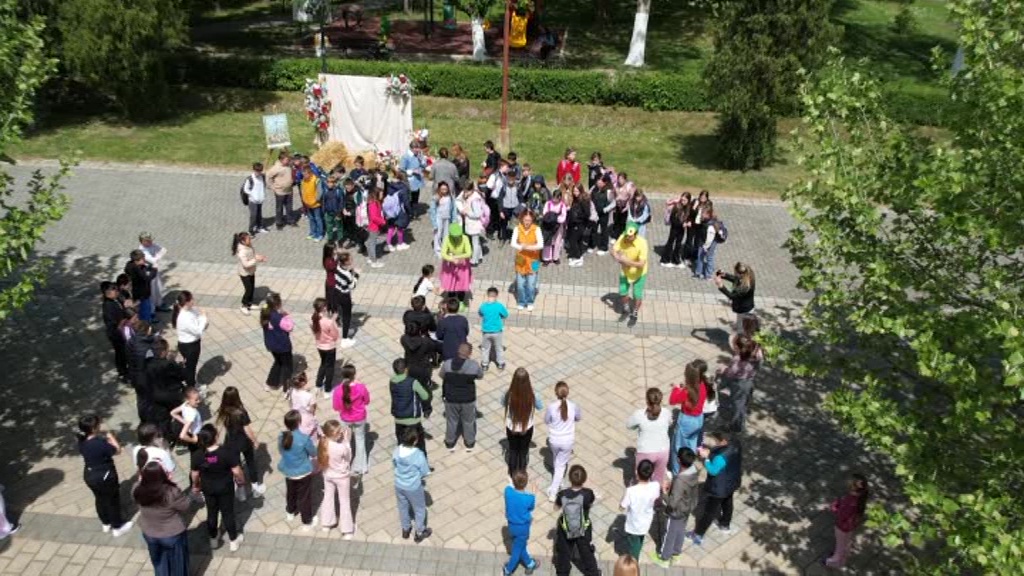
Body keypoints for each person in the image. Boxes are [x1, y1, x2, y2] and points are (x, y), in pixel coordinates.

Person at [191, 424, 245, 551]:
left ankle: (213, 539)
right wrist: (241, 481)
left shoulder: (198, 455)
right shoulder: (226, 452)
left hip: (208, 488)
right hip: (225, 487)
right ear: (215, 437)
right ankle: (233, 540)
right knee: (228, 513)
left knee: (211, 512)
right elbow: (237, 471)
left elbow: (194, 474)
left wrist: (196, 485)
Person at [77, 416, 133, 537]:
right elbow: (118, 450)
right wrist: (111, 437)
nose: (100, 426)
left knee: (100, 499)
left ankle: (105, 522)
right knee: (112, 501)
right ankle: (117, 527)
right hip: (105, 476)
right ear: (93, 428)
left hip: (89, 475)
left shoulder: (81, 441)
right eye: (98, 425)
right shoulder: (99, 443)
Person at [134, 460, 191, 576]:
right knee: (178, 564)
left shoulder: (137, 489)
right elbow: (185, 506)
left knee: (159, 562)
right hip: (171, 534)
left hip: (149, 532)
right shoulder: (171, 492)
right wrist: (173, 484)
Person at [688, 429, 743, 546]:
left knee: (709, 512)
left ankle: (698, 534)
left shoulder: (721, 457)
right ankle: (725, 524)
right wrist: (710, 452)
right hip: (732, 481)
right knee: (728, 502)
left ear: (723, 441)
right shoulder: (736, 444)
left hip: (719, 488)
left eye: (717, 441)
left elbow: (713, 470)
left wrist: (706, 458)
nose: (715, 443)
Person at [651, 448, 700, 567]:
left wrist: (664, 492)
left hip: (676, 512)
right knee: (680, 531)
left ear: (678, 460)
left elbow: (672, 503)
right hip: (687, 508)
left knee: (669, 534)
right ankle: (676, 553)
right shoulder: (694, 471)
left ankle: (664, 558)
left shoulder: (680, 480)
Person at [216, 386, 266, 498]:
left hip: (230, 442)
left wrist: (216, 440)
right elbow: (247, 429)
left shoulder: (223, 409)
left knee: (236, 466)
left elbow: (220, 426)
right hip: (243, 442)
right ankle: (255, 486)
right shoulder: (241, 412)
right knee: (250, 462)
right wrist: (255, 441)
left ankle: (241, 491)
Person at [553, 465, 600, 576]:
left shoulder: (562, 494)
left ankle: (563, 572)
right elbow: (590, 504)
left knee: (564, 552)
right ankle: (593, 572)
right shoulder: (588, 493)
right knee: (586, 551)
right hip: (583, 528)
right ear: (584, 479)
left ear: (570, 479)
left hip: (566, 529)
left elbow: (556, 508)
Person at [278, 410, 318, 530]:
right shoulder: (304, 438)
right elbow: (313, 453)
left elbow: (281, 451)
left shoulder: (281, 436)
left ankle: (290, 512)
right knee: (304, 497)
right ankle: (307, 521)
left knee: (291, 492)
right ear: (299, 422)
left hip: (288, 471)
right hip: (303, 472)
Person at [440, 342, 483, 452]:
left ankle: (450, 442)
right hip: (468, 399)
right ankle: (469, 443)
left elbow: (441, 375)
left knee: (451, 421)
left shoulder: (447, 364)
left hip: (451, 398)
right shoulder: (473, 366)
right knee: (468, 421)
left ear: (458, 351)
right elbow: (480, 376)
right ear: (469, 353)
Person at [392, 426, 432, 542]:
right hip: (413, 486)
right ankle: (419, 531)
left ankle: (405, 529)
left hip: (399, 484)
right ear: (415, 441)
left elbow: (394, 464)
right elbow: (425, 471)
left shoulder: (397, 450)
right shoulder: (418, 454)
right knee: (419, 509)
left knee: (403, 506)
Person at [502, 368, 544, 477]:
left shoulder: (508, 393)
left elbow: (502, 402)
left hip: (511, 427)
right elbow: (540, 406)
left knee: (513, 449)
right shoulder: (532, 395)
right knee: (523, 451)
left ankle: (512, 471)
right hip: (526, 428)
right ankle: (521, 472)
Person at [544, 381, 581, 502]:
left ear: (556, 393)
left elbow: (547, 421)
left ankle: (558, 481)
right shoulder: (573, 406)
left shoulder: (551, 407)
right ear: (568, 392)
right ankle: (553, 492)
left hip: (554, 440)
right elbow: (578, 418)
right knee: (561, 465)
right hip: (567, 441)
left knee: (557, 460)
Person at [318, 420, 356, 538]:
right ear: (333, 434)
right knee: (344, 502)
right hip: (341, 477)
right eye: (339, 432)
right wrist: (347, 441)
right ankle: (347, 530)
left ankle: (326, 523)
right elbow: (348, 458)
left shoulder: (323, 443)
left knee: (328, 498)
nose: (341, 434)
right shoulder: (341, 447)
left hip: (327, 475)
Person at [823, 473, 870, 569]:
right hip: (850, 526)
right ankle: (843, 556)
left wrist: (834, 507)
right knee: (846, 542)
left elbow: (841, 515)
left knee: (840, 545)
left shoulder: (850, 503)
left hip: (842, 527)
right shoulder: (858, 499)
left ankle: (834, 561)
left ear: (852, 488)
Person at [626, 387, 671, 484]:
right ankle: (656, 493)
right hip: (663, 450)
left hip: (645, 451)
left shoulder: (639, 414)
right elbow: (670, 422)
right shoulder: (666, 412)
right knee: (659, 479)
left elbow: (629, 425)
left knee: (641, 478)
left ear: (647, 401)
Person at [333, 364, 371, 476]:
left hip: (345, 418)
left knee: (345, 441)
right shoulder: (361, 387)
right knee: (360, 440)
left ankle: (345, 464)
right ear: (354, 374)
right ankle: (361, 467)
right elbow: (367, 401)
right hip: (359, 417)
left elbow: (336, 407)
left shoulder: (338, 390)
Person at [390, 358, 431, 460]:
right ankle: (423, 465)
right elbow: (425, 396)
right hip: (413, 419)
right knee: (420, 445)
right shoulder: (412, 382)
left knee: (402, 444)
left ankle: (404, 463)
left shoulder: (392, 381)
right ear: (406, 369)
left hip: (398, 419)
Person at [668, 363, 707, 472]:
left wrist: (675, 389)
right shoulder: (702, 385)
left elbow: (672, 400)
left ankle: (677, 472)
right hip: (699, 419)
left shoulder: (687, 391)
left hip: (687, 421)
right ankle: (689, 463)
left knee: (678, 447)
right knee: (691, 442)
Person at [619, 459, 660, 560]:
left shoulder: (631, 491)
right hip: (646, 521)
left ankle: (634, 561)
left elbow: (621, 507)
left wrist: (626, 491)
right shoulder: (656, 486)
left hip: (634, 523)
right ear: (652, 474)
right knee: (640, 538)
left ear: (637, 473)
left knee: (633, 545)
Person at [718, 335, 759, 433]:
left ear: (737, 347)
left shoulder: (737, 359)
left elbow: (731, 374)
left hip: (739, 385)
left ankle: (736, 426)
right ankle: (745, 411)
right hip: (749, 381)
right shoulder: (755, 356)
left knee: (737, 405)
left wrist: (723, 370)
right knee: (744, 400)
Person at [145, 339, 187, 434]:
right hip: (171, 395)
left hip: (155, 394)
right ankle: (179, 432)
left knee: (163, 417)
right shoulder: (168, 364)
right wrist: (180, 365)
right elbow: (182, 376)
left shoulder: (147, 363)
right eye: (167, 349)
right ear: (163, 352)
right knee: (179, 414)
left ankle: (166, 434)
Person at [503, 469, 540, 576]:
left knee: (520, 545)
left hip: (511, 526)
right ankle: (508, 570)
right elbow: (531, 508)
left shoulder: (507, 491)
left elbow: (510, 487)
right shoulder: (529, 498)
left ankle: (530, 563)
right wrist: (533, 494)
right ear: (526, 483)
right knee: (516, 552)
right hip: (523, 528)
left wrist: (511, 481)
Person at [612, 222, 649, 322]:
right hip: (625, 271)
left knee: (637, 294)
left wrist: (626, 261)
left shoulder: (642, 243)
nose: (628, 238)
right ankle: (626, 309)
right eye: (627, 235)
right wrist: (618, 258)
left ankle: (635, 312)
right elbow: (613, 250)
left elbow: (641, 264)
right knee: (622, 291)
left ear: (636, 235)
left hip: (639, 273)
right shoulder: (623, 237)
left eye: (630, 236)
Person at [172, 290, 207, 390]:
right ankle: (191, 387)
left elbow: (198, 317)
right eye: (192, 299)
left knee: (190, 365)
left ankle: (189, 382)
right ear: (186, 302)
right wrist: (204, 318)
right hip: (190, 346)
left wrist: (201, 319)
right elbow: (198, 330)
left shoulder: (190, 310)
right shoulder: (184, 317)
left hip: (190, 344)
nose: (193, 300)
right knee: (191, 368)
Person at [260, 292, 294, 392]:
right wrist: (286, 315)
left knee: (278, 362)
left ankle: (270, 383)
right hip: (282, 346)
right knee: (287, 366)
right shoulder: (279, 318)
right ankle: (287, 388)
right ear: (277, 305)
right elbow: (290, 327)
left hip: (271, 344)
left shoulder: (265, 313)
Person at [511, 210, 544, 311]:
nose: (527, 222)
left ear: (532, 220)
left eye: (529, 220)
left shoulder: (537, 229)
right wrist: (522, 246)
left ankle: (530, 301)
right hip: (520, 258)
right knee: (520, 284)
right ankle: (521, 301)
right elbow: (513, 243)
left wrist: (527, 247)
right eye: (525, 220)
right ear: (522, 219)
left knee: (531, 284)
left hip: (534, 260)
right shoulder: (517, 229)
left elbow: (540, 245)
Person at [127, 318, 157, 422]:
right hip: (145, 377)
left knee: (141, 399)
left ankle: (143, 419)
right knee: (149, 399)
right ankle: (149, 419)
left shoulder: (130, 341)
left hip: (134, 375)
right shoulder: (149, 346)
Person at [310, 297, 339, 397]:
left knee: (323, 364)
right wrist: (333, 321)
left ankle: (318, 385)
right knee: (330, 368)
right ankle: (327, 390)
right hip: (329, 347)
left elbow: (315, 331)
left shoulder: (313, 319)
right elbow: (335, 335)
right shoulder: (328, 322)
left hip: (319, 346)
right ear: (324, 308)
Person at [232, 232, 266, 315]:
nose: (250, 240)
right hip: (244, 273)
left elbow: (252, 254)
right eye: (248, 239)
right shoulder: (242, 252)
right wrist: (256, 260)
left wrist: (259, 257)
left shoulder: (248, 246)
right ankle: (244, 305)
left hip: (251, 271)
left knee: (252, 288)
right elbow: (246, 264)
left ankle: (249, 303)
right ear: (243, 241)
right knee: (248, 289)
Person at [101, 281, 129, 381]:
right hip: (116, 334)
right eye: (115, 290)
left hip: (122, 330)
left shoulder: (115, 300)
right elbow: (113, 324)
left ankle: (125, 368)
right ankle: (122, 372)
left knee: (124, 351)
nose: (117, 292)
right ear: (107, 293)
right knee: (120, 353)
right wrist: (123, 321)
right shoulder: (108, 306)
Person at [716, 262, 757, 331]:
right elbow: (736, 279)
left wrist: (721, 286)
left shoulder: (745, 287)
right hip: (743, 308)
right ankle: (738, 329)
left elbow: (732, 296)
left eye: (735, 272)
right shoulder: (748, 276)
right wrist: (724, 275)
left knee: (742, 330)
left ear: (740, 274)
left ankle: (739, 335)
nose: (734, 274)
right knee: (739, 325)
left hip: (745, 310)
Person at [440, 223, 473, 305]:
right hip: (450, 265)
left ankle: (461, 300)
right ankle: (452, 301)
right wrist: (452, 259)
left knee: (462, 283)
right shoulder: (447, 238)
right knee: (451, 283)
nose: (457, 238)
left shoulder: (465, 238)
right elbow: (443, 253)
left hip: (462, 265)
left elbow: (469, 253)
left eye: (458, 236)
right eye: (454, 236)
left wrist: (456, 257)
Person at [478, 286, 509, 371]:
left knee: (485, 348)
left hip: (486, 331)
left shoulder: (483, 306)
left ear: (487, 295)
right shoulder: (499, 306)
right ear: (496, 296)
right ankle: (500, 363)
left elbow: (480, 313)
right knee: (499, 348)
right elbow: (505, 314)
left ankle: (485, 364)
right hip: (497, 331)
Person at [138, 232, 169, 312]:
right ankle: (152, 310)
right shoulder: (142, 251)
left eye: (151, 240)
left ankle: (159, 304)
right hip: (148, 272)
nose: (151, 242)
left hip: (154, 269)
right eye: (148, 241)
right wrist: (157, 257)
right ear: (143, 241)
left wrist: (156, 257)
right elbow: (153, 260)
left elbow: (164, 250)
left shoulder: (152, 245)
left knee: (158, 287)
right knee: (152, 291)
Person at [660, 192, 692, 268]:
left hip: (681, 229)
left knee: (678, 244)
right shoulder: (677, 207)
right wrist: (682, 224)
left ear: (688, 200)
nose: (683, 202)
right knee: (670, 243)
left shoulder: (688, 207)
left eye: (684, 200)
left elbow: (689, 216)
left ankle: (676, 260)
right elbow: (672, 219)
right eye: (682, 200)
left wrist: (688, 222)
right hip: (675, 228)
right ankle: (664, 260)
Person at [334, 251, 359, 348]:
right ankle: (344, 339)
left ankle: (338, 323)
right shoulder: (347, 274)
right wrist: (356, 275)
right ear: (346, 262)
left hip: (336, 292)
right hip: (344, 296)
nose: (352, 260)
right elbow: (352, 286)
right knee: (347, 317)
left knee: (339, 311)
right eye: (350, 259)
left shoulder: (337, 267)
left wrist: (351, 271)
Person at [457, 185, 486, 266]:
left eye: (467, 191)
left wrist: (467, 213)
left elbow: (477, 214)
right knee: (477, 241)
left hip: (474, 224)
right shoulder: (473, 196)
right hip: (473, 224)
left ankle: (474, 260)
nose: (465, 193)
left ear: (471, 190)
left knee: (475, 243)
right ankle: (479, 257)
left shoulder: (474, 200)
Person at [125, 249, 157, 323]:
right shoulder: (137, 270)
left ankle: (146, 320)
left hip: (138, 293)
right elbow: (147, 278)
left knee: (143, 309)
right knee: (145, 309)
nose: (144, 260)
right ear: (136, 261)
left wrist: (148, 267)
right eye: (143, 259)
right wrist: (154, 270)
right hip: (142, 294)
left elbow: (144, 268)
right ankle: (146, 324)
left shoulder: (131, 265)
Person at [267, 152, 295, 229]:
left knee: (289, 207)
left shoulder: (289, 165)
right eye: (286, 160)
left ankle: (290, 220)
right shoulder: (275, 168)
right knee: (279, 208)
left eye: (288, 159)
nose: (288, 161)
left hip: (289, 191)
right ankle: (279, 223)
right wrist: (272, 187)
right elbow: (268, 176)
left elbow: (293, 163)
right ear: (281, 160)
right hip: (280, 192)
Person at [384, 169, 412, 251]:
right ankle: (400, 243)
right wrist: (410, 212)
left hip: (390, 210)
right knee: (400, 228)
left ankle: (389, 244)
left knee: (391, 227)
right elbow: (406, 202)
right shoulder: (404, 188)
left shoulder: (390, 185)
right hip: (400, 211)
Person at [289, 372, 321, 442]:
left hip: (296, 415)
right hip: (306, 417)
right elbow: (312, 410)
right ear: (303, 382)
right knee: (311, 434)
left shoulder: (292, 390)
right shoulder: (309, 396)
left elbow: (291, 403)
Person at [436, 297, 470, 362]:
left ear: (447, 308)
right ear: (458, 308)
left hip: (448, 351)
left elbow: (439, 336)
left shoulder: (443, 321)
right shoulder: (463, 319)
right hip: (462, 351)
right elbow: (467, 332)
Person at [171, 386, 204, 451]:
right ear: (188, 400)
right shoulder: (192, 414)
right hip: (197, 434)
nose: (199, 401)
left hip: (192, 430)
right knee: (203, 449)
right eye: (196, 400)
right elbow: (182, 435)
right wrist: (193, 440)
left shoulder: (185, 404)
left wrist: (184, 422)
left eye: (199, 398)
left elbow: (172, 413)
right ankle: (212, 458)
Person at [694, 204, 721, 280]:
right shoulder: (704, 220)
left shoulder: (711, 225)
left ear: (708, 214)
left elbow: (709, 239)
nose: (701, 215)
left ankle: (708, 275)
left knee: (709, 258)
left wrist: (705, 247)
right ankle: (698, 273)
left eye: (703, 213)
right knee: (700, 257)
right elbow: (697, 222)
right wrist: (699, 212)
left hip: (710, 242)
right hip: (703, 240)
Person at [400, 140, 428, 215]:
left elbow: (424, 165)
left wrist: (422, 160)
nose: (418, 150)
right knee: (409, 197)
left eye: (418, 148)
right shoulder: (406, 157)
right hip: (409, 180)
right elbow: (401, 169)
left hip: (417, 180)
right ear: (412, 148)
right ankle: (408, 212)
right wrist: (412, 171)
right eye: (416, 148)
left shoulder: (419, 156)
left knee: (416, 196)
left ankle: (414, 210)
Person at [566, 185, 591, 267]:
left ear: (581, 191)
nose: (575, 193)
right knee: (578, 241)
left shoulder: (583, 201)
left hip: (579, 224)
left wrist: (577, 217)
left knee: (573, 240)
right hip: (574, 223)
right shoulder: (576, 199)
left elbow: (587, 214)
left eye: (577, 191)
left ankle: (577, 258)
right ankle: (578, 256)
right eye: (574, 191)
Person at [300, 160, 325, 241]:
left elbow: (320, 192)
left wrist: (315, 200)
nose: (304, 176)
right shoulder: (303, 181)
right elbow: (303, 191)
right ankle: (313, 233)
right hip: (308, 204)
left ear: (310, 173)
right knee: (311, 219)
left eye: (305, 174)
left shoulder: (316, 180)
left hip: (316, 204)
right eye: (303, 174)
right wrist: (304, 200)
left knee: (318, 219)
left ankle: (320, 234)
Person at [541, 189, 568, 265]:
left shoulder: (562, 205)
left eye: (556, 198)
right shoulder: (548, 203)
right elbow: (545, 213)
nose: (554, 200)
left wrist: (554, 218)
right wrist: (553, 217)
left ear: (560, 198)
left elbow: (563, 217)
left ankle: (556, 257)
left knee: (557, 242)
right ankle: (546, 258)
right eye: (554, 198)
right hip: (548, 226)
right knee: (547, 241)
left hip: (558, 227)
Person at [589, 175, 613, 255]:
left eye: (600, 180)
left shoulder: (609, 191)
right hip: (595, 213)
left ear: (605, 183)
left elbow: (613, 203)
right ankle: (592, 245)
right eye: (598, 180)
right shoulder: (594, 188)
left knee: (604, 230)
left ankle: (604, 248)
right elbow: (589, 196)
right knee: (593, 228)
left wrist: (605, 209)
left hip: (603, 214)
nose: (598, 181)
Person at [243, 162, 269, 236]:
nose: (258, 173)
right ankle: (250, 231)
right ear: (254, 170)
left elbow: (263, 186)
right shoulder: (250, 179)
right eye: (257, 171)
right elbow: (246, 189)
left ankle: (259, 227)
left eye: (260, 171)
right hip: (253, 201)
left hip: (260, 200)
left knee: (259, 214)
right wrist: (252, 194)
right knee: (253, 216)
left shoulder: (262, 177)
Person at [431, 182, 456, 257]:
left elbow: (453, 209)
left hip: (447, 218)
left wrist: (454, 219)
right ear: (439, 189)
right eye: (442, 189)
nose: (444, 190)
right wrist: (434, 223)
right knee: (438, 234)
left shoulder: (450, 197)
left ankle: (445, 249)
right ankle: (438, 250)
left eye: (445, 189)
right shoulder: (435, 197)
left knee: (446, 234)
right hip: (438, 218)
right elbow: (432, 210)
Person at [365, 186, 387, 268]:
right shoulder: (373, 204)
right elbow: (374, 217)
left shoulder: (376, 202)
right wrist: (382, 221)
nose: (382, 195)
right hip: (374, 227)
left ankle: (370, 258)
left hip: (374, 226)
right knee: (372, 244)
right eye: (381, 194)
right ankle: (374, 261)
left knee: (370, 242)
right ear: (376, 194)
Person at [322, 174, 345, 244]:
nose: (330, 184)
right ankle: (330, 239)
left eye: (332, 182)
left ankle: (340, 239)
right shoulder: (325, 190)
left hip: (337, 213)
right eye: (328, 182)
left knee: (339, 226)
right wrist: (324, 210)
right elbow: (324, 200)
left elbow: (341, 202)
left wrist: (339, 212)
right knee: (329, 227)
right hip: (328, 212)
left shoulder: (338, 191)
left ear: (335, 183)